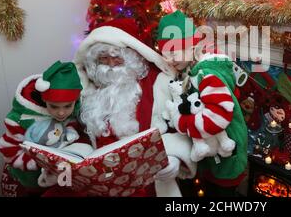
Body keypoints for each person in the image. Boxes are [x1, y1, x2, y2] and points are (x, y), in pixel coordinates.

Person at [73, 18, 196, 196]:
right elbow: (76, 133)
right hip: (100, 184)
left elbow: (181, 126)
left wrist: (174, 156)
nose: (110, 66)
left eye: (116, 58)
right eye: (103, 59)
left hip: (147, 183)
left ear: (131, 58)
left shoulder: (158, 83)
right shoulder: (88, 87)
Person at [156, 10, 248, 197]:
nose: (170, 59)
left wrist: (183, 123)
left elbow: (218, 116)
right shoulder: (190, 72)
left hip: (227, 154)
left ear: (192, 46)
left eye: (174, 51)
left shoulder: (207, 74)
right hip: (212, 155)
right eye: (165, 53)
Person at [0, 61, 83, 196]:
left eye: (68, 106)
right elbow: (8, 150)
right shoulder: (20, 119)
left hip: (58, 179)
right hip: (29, 180)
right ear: (44, 101)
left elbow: (70, 121)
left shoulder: (73, 110)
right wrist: (38, 163)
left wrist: (71, 133)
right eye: (54, 106)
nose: (61, 113)